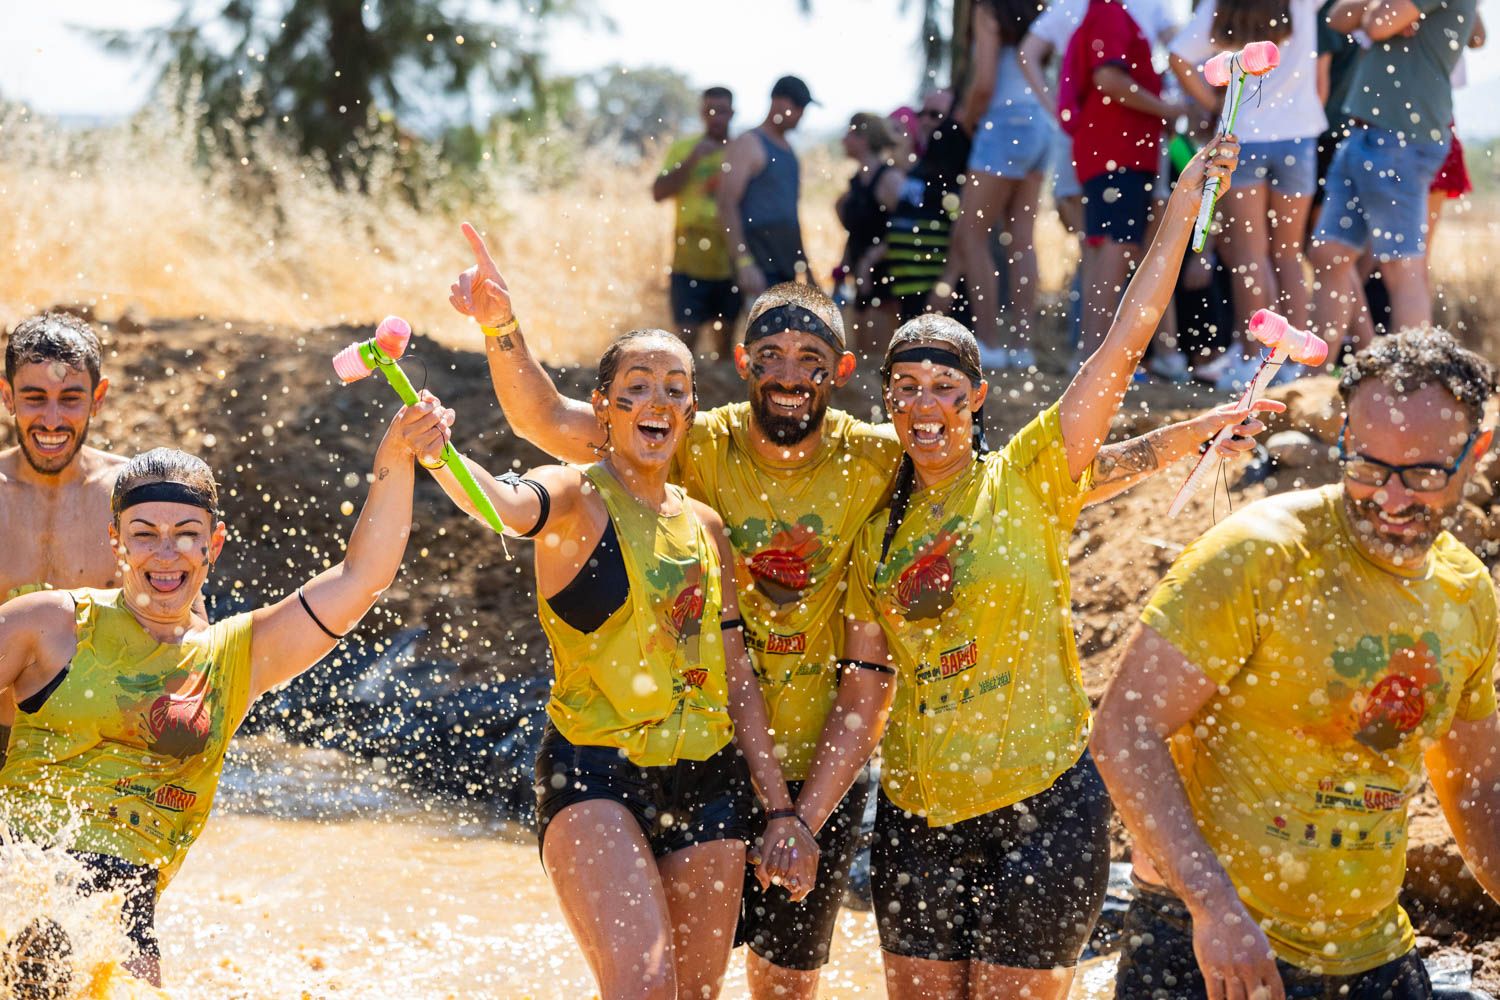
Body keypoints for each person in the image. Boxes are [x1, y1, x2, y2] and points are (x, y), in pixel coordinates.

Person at [842, 139, 1261, 1000]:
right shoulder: (873, 522)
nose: (925, 406)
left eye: (944, 387)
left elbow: (1126, 339)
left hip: (1047, 807)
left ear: (976, 398)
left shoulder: (1028, 474)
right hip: (917, 813)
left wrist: (1182, 201)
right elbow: (866, 674)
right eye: (907, 388)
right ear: (889, 401)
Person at [1093, 329, 1500, 1000]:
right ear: (1343, 435)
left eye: (1423, 475)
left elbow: (1478, 791)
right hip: (1209, 946)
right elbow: (1123, 731)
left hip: (1369, 954)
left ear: (1475, 452)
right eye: (1368, 467)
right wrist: (1214, 909)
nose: (1391, 500)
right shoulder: (1262, 556)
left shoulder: (1464, 594)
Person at [408, 323, 805, 999]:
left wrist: (780, 813)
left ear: (689, 411)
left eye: (674, 389)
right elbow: (504, 509)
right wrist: (442, 455)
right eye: (637, 387)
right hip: (595, 776)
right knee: (643, 989)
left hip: (708, 782)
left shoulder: (706, 526)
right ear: (602, 407)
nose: (657, 400)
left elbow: (737, 676)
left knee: (693, 995)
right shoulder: (572, 495)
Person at [0, 400, 430, 986]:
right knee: (42, 942)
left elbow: (363, 577)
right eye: (144, 535)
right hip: (22, 874)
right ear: (115, 542)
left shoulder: (239, 655)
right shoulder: (48, 623)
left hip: (125, 901)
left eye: (186, 535)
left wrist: (397, 457)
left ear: (215, 545)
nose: (166, 553)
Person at [1309, 0, 1477, 361]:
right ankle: (1316, 375)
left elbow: (1376, 24)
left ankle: (1415, 378)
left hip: (1399, 139)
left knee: (1402, 265)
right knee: (1330, 253)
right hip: (1365, 135)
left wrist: (1377, 15)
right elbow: (1338, 17)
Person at [0, 314, 128, 771]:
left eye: (70, 400)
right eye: (34, 399)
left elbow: (188, 631)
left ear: (97, 399)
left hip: (99, 752)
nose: (51, 421)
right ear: (7, 395)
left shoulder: (131, 496)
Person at [1172, 0, 1324, 378]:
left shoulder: (1219, 5)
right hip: (1299, 138)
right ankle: (1296, 363)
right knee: (1288, 254)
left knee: (1250, 256)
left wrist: (1215, 105)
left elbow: (1178, 56)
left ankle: (1254, 358)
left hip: (1244, 138)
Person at [1058, 0, 1188, 356]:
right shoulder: (1109, 12)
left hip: (1114, 151)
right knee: (1117, 247)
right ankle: (1095, 357)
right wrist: (1169, 109)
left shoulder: (1108, 12)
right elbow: (1108, 78)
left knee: (1109, 247)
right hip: (1118, 150)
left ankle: (1091, 354)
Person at [947, 0, 1051, 369]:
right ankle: (1022, 347)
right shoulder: (1038, 7)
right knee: (1021, 240)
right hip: (1041, 122)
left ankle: (988, 344)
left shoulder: (988, 8)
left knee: (970, 235)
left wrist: (970, 119)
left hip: (1003, 123)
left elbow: (985, 82)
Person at [653, 86, 739, 357]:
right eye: (710, 111)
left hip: (729, 259)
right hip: (688, 258)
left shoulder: (742, 151)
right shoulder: (684, 148)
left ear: (732, 113)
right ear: (702, 113)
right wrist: (692, 161)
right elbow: (658, 192)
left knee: (725, 340)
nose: (716, 117)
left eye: (722, 111)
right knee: (685, 338)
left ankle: (722, 396)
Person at [718, 76, 816, 303]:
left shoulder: (791, 152)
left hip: (786, 269)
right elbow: (726, 204)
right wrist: (744, 262)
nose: (801, 114)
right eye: (798, 106)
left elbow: (791, 216)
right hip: (758, 270)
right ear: (778, 102)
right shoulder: (749, 143)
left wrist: (807, 269)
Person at [888, 89, 976, 325]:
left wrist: (948, 280)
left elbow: (969, 229)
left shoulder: (959, 168)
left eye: (935, 114)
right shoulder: (920, 166)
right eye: (922, 113)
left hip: (946, 295)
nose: (925, 121)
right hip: (910, 292)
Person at [835, 112, 903, 354]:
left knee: (880, 359)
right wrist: (843, 268)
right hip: (860, 280)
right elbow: (856, 232)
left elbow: (904, 230)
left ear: (864, 139)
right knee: (861, 358)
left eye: (850, 133)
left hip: (886, 281)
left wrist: (871, 259)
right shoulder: (855, 182)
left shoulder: (890, 179)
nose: (843, 139)